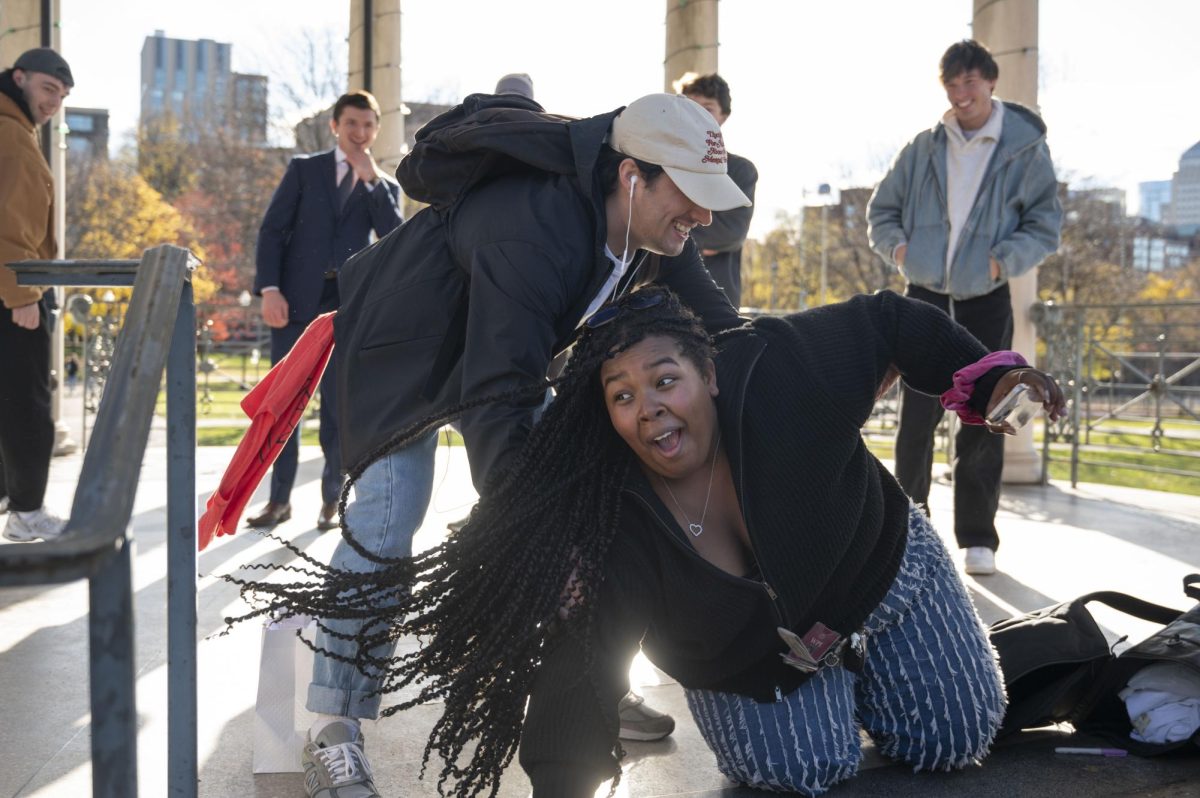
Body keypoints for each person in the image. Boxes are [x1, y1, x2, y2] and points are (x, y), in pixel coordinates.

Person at [228, 286, 1065, 796]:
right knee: (806, 771)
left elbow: (888, 322)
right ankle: (841, 694)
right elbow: (579, 675)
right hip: (756, 664)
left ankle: (941, 663)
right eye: (623, 396)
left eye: (665, 379)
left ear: (707, 372)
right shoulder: (608, 517)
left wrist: (990, 376)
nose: (649, 407)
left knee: (953, 739)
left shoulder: (774, 367)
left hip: (877, 572)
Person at [266, 91, 749, 798]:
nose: (704, 217)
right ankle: (332, 727)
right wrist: (538, 542)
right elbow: (500, 396)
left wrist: (793, 372)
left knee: (592, 500)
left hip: (494, 355)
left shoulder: (652, 235)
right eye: (691, 194)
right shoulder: (535, 226)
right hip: (404, 355)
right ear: (631, 176)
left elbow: (722, 328)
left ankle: (592, 689)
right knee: (386, 523)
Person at [866, 39, 1063, 576]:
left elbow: (1045, 224)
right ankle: (910, 526)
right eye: (951, 85)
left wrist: (1001, 261)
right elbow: (881, 211)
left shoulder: (1022, 148)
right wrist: (901, 249)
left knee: (990, 411)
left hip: (985, 294)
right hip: (924, 292)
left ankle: (979, 537)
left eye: (969, 82)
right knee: (916, 415)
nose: (960, 94)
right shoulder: (924, 146)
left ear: (991, 82)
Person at [248, 90, 403, 532]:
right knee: (285, 407)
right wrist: (270, 289)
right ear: (335, 125)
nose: (360, 133)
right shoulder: (304, 170)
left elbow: (394, 238)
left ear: (376, 130)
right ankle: (278, 502)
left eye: (368, 125)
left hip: (346, 310)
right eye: (352, 124)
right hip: (293, 306)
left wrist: (372, 182)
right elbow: (272, 231)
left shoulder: (383, 185)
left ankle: (332, 500)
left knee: (337, 410)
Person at [0, 48, 73, 542]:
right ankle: (27, 511)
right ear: (19, 77)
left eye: (62, 96)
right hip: (14, 291)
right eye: (48, 89)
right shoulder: (10, 133)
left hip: (10, 287)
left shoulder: (16, 128)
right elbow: (9, 222)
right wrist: (23, 294)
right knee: (29, 402)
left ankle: (16, 501)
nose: (54, 103)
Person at [675, 72, 757, 308]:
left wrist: (673, 229)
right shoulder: (660, 164)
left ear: (724, 116)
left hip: (716, 297)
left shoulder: (741, 170)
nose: (698, 115)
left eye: (708, 108)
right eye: (691, 107)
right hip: (662, 292)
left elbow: (730, 234)